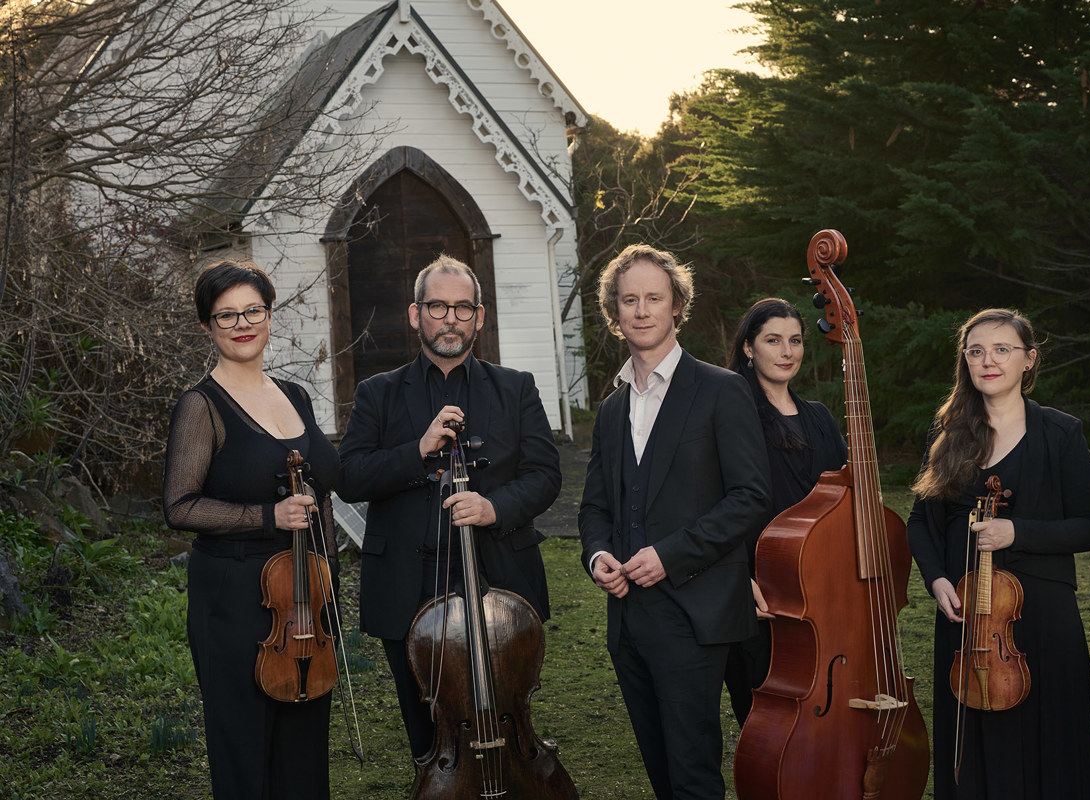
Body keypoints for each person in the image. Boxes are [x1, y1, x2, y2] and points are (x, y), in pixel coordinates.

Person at [338, 255, 561, 766]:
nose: (451, 318)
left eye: (463, 308)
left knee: (504, 712)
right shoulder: (378, 393)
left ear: (479, 318)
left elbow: (546, 476)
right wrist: (416, 451)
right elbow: (349, 477)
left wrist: (493, 506)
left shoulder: (516, 387)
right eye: (438, 306)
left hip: (498, 578)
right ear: (416, 315)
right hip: (406, 583)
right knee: (426, 728)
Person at [577, 243, 771, 799]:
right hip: (628, 621)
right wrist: (597, 556)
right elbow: (594, 506)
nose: (641, 310)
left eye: (653, 299)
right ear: (615, 312)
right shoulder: (612, 408)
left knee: (692, 775)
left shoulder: (722, 390)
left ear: (677, 305)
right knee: (662, 773)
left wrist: (670, 554)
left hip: (695, 613)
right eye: (629, 299)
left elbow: (750, 496)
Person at [907, 308, 1090, 799]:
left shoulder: (1060, 434)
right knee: (971, 745)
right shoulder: (947, 435)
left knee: (1048, 737)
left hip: (1042, 617)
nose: (987, 361)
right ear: (965, 363)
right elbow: (920, 522)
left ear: (1029, 360)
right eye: (975, 351)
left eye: (1002, 350)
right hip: (969, 618)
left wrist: (1017, 531)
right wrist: (936, 580)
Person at [163, 259, 340, 800]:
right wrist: (269, 516)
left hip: (302, 602)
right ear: (207, 327)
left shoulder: (296, 394)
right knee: (244, 749)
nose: (243, 324)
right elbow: (180, 506)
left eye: (253, 311)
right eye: (227, 316)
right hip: (235, 600)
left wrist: (328, 581)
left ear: (269, 314)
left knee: (303, 750)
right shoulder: (201, 406)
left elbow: (330, 483)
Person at [723, 298, 847, 725]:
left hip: (826, 593)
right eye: (772, 340)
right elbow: (717, 506)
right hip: (763, 595)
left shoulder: (821, 418)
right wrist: (741, 579)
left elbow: (846, 503)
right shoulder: (730, 418)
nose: (786, 351)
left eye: (795, 341)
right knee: (769, 722)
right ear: (748, 349)